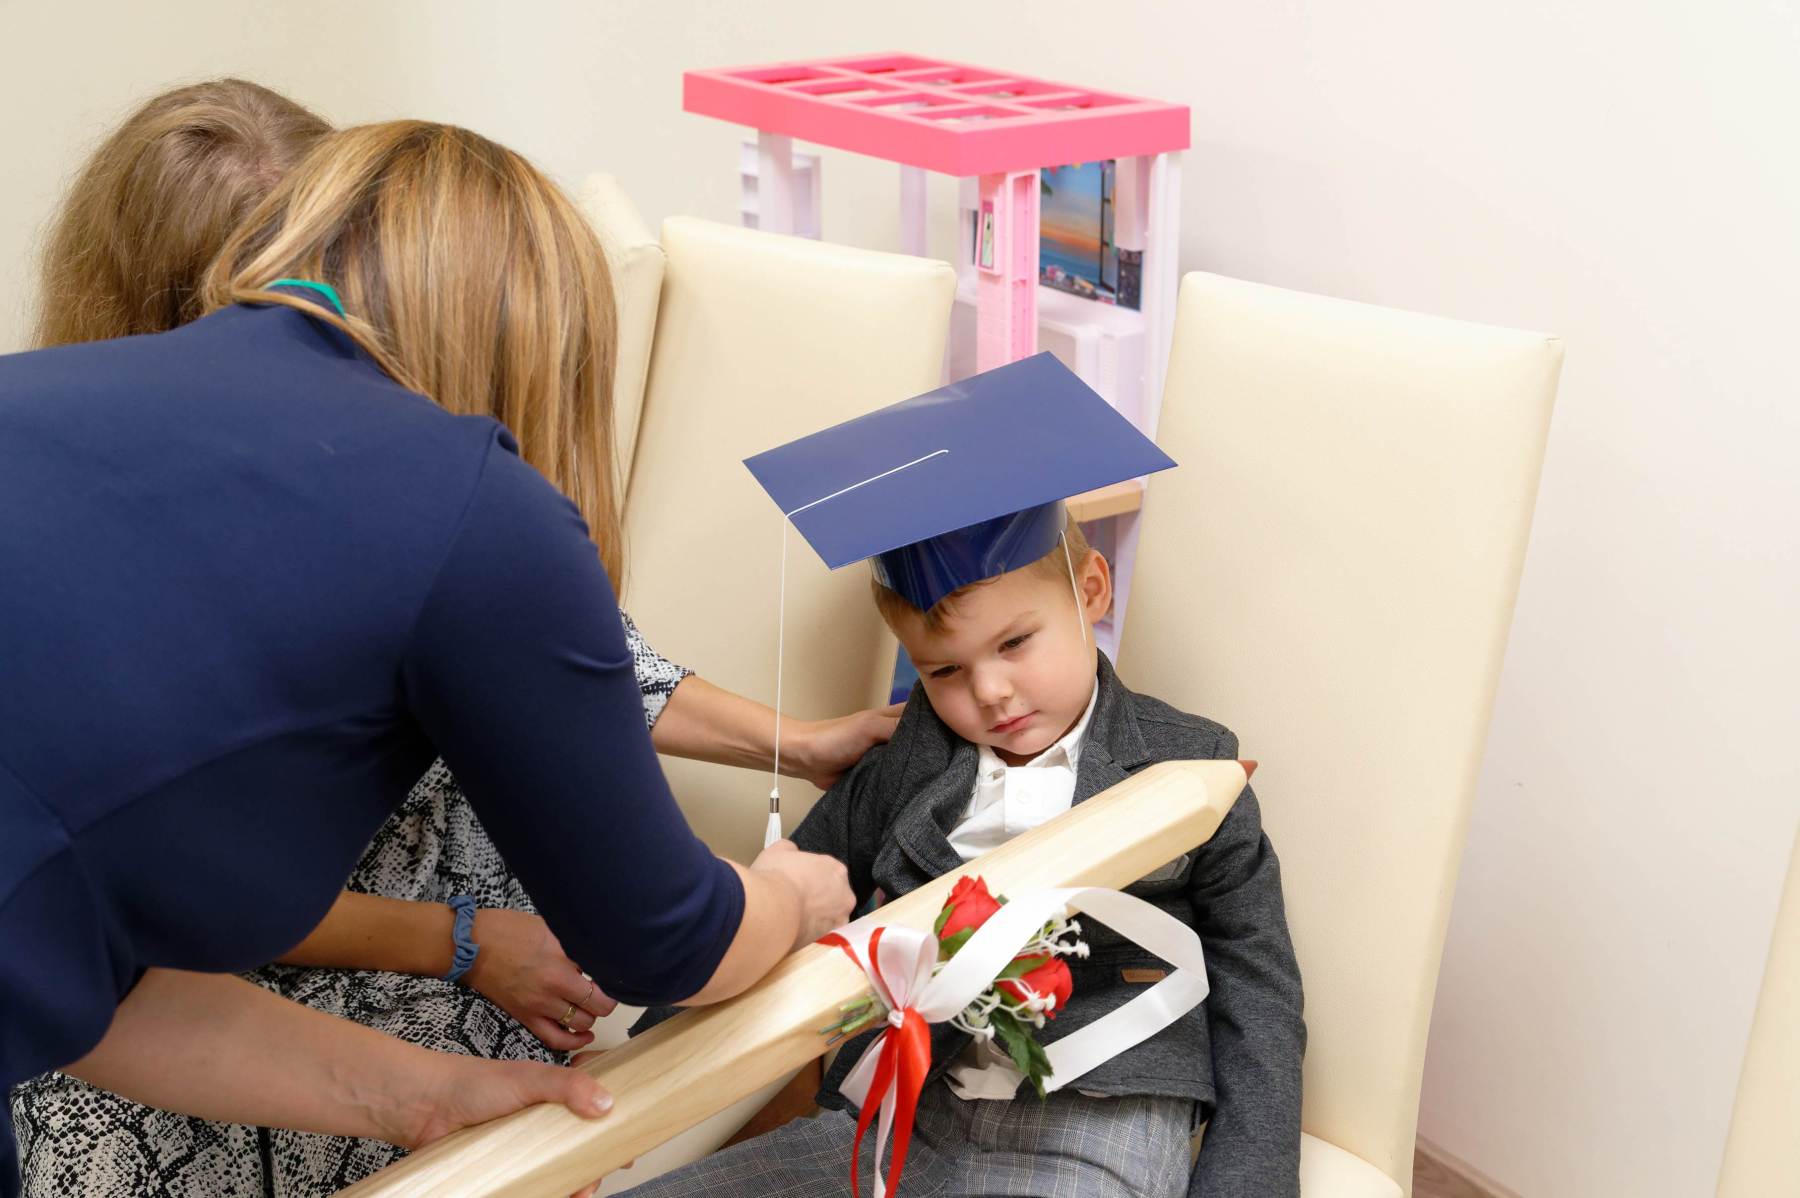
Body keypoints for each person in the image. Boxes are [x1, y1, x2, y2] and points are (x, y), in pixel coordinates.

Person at [9, 81, 894, 1198]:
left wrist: (422, 1096)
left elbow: (106, 985)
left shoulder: (51, 405)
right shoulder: (470, 504)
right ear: (536, 341)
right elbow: (671, 941)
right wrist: (790, 898)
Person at [623, 354, 1306, 1198]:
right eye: (943, 670)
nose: (989, 692)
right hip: (903, 1120)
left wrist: (1245, 1183)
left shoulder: (1190, 765)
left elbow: (1258, 987)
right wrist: (633, 1080)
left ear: (1092, 591)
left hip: (1097, 1120)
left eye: (1015, 643)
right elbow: (779, 901)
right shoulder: (903, 767)